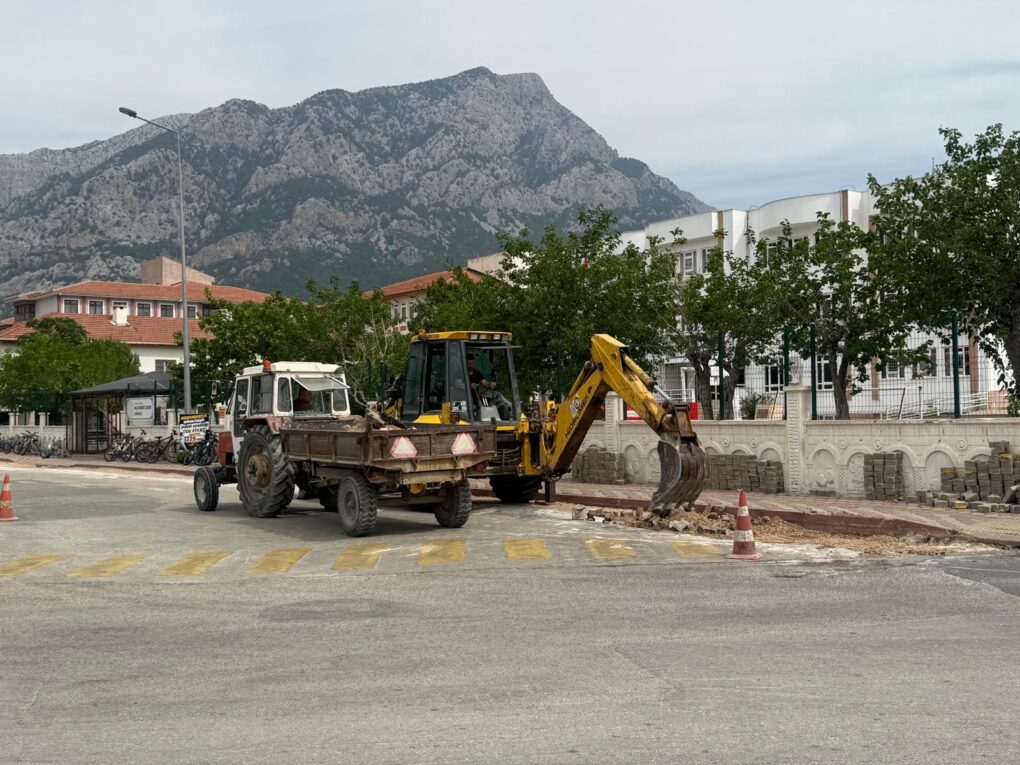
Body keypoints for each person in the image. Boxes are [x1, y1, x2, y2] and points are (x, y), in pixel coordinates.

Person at [466, 353, 511, 420]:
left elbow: (484, 383)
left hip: (477, 398)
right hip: (466, 399)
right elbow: (458, 384)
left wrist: (490, 384)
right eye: (469, 363)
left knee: (497, 394)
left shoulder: (476, 372)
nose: (471, 365)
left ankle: (510, 408)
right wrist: (469, 386)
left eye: (472, 363)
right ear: (466, 363)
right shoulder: (461, 372)